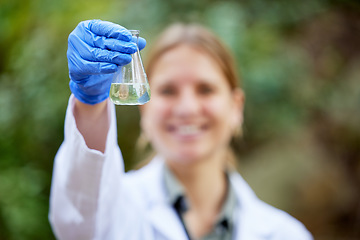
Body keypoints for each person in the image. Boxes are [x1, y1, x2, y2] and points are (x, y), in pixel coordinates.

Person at [49, 19, 313, 240]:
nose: (187, 108)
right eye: (168, 90)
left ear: (236, 107)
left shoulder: (285, 233)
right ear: (144, 109)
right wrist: (90, 104)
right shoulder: (114, 210)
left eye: (205, 89)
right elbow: (78, 216)